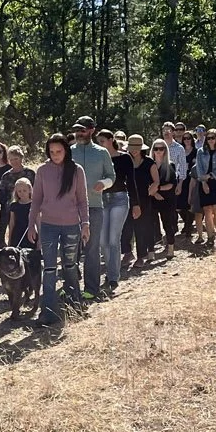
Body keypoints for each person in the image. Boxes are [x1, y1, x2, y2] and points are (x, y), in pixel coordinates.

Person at [26, 133, 89, 328]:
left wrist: (85, 223)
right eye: (51, 152)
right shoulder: (43, 171)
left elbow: (82, 200)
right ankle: (48, 312)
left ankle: (73, 304)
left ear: (66, 150)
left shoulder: (77, 171)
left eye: (59, 151)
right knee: (50, 268)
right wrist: (31, 224)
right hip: (49, 226)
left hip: (71, 225)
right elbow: (35, 199)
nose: (55, 155)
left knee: (70, 265)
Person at [70, 115, 116, 301]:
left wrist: (103, 183)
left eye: (82, 130)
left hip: (94, 206)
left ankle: (91, 289)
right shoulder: (68, 151)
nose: (79, 133)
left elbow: (112, 176)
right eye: (77, 130)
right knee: (70, 249)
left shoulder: (101, 152)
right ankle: (71, 287)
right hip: (69, 208)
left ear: (91, 130)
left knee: (91, 249)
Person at [96, 129, 133, 295]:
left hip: (119, 198)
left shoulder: (124, 157)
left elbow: (131, 181)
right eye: (99, 141)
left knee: (113, 239)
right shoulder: (98, 158)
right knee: (102, 241)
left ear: (111, 140)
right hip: (102, 200)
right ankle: (110, 273)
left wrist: (137, 204)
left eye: (103, 140)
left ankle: (112, 276)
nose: (100, 144)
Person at [125, 134, 157, 267]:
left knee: (142, 227)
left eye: (136, 147)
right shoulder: (125, 161)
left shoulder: (149, 162)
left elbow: (156, 181)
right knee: (127, 227)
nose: (134, 150)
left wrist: (150, 193)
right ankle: (127, 253)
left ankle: (141, 256)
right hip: (128, 198)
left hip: (144, 198)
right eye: (131, 147)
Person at [0, 145, 34, 247]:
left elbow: (37, 191)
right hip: (9, 209)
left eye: (16, 159)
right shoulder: (6, 175)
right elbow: (0, 193)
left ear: (21, 158)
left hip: (28, 208)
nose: (14, 162)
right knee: (3, 234)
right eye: (11, 159)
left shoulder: (30, 173)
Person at [195, 129, 216, 248]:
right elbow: (198, 168)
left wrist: (210, 176)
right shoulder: (200, 151)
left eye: (212, 138)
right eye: (208, 138)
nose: (210, 140)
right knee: (207, 210)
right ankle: (210, 236)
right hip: (203, 181)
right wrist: (203, 181)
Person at [150, 138, 181, 250]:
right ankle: (154, 243)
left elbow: (172, 184)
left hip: (167, 198)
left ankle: (170, 246)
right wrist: (154, 193)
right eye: (156, 148)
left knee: (168, 223)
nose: (158, 151)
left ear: (165, 150)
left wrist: (157, 189)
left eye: (161, 148)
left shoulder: (170, 165)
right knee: (152, 223)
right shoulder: (149, 164)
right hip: (152, 198)